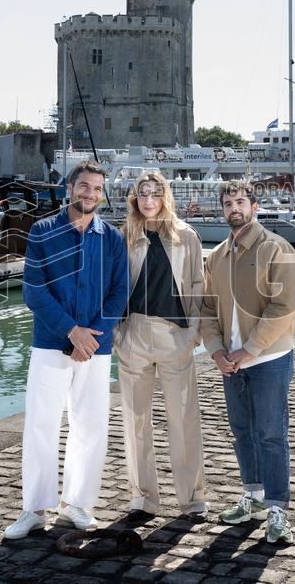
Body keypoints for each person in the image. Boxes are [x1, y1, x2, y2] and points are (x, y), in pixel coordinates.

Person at [4, 161, 129, 540]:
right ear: (69, 188)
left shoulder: (112, 238)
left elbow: (119, 292)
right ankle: (34, 508)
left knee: (90, 426)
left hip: (97, 348)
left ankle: (78, 503)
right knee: (41, 425)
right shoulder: (42, 231)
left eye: (96, 188)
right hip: (50, 345)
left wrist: (92, 337)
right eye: (84, 186)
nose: (89, 194)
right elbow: (34, 291)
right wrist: (71, 332)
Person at [199, 179, 295, 545]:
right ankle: (254, 496)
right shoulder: (216, 257)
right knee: (243, 432)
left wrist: (251, 350)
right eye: (228, 203)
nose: (234, 209)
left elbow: (285, 306)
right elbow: (207, 309)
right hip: (231, 362)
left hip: (269, 359)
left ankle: (277, 509)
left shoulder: (277, 249)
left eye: (240, 202)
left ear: (254, 206)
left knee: (271, 435)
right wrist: (215, 351)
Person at [114, 170, 208, 525]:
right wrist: (118, 335)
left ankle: (193, 500)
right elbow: (113, 286)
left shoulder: (187, 236)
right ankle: (143, 499)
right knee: (136, 422)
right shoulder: (125, 236)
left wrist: (192, 334)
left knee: (183, 420)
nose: (149, 199)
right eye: (143, 193)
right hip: (134, 334)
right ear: (135, 199)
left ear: (165, 196)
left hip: (175, 336)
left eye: (155, 193)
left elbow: (200, 285)